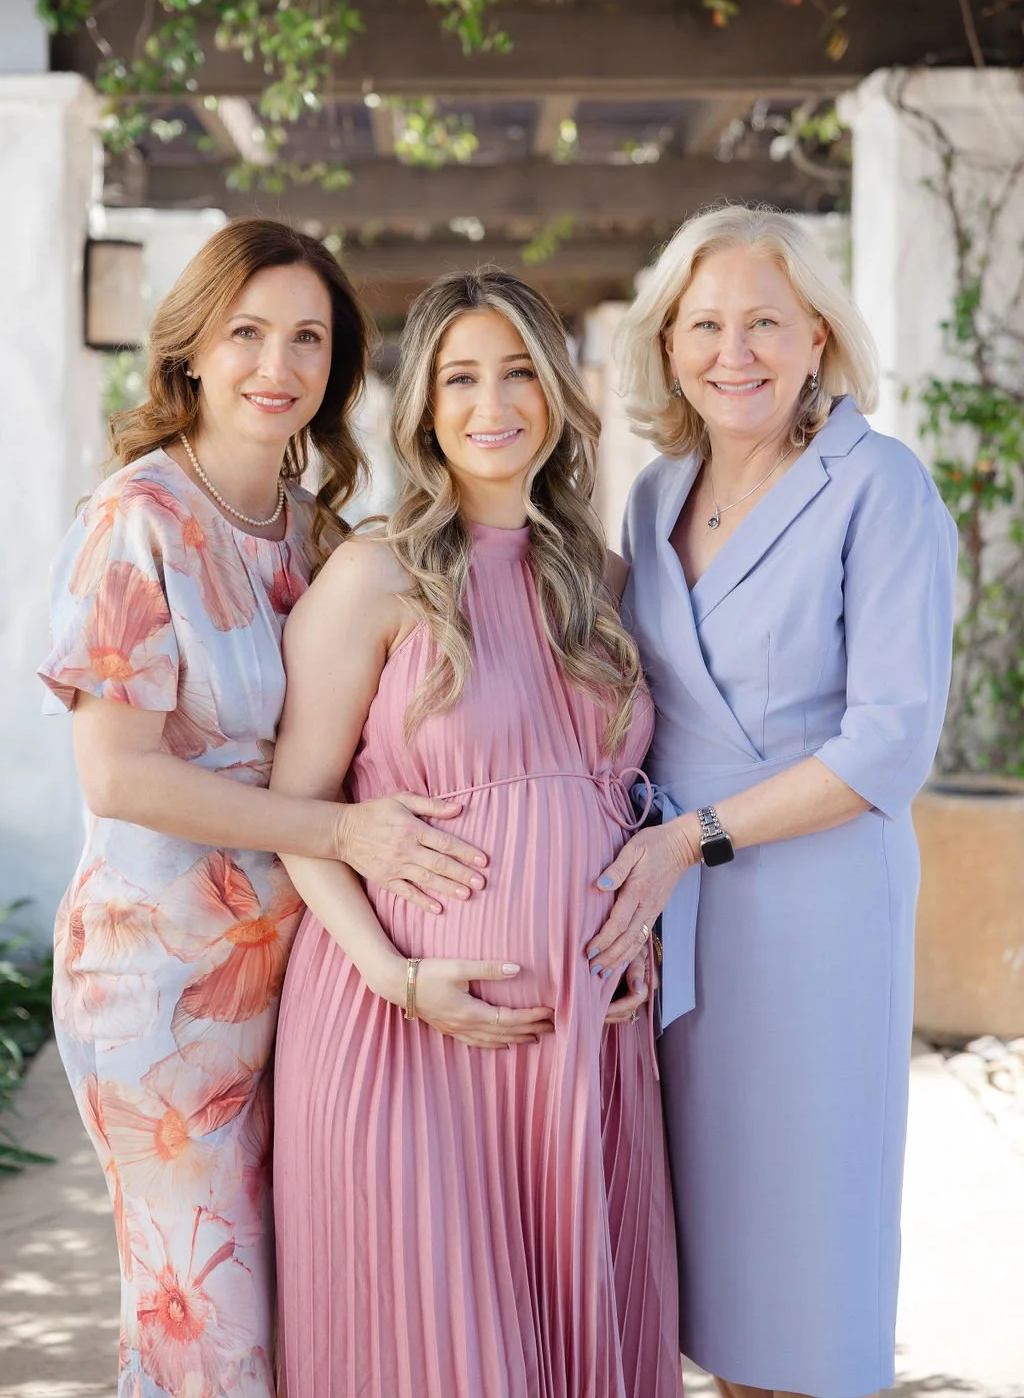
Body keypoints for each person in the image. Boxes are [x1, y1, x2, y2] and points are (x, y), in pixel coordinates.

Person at [38, 220, 491, 1398]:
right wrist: (341, 834)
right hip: (158, 987)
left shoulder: (316, 534)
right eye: (245, 332)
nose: (274, 365)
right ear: (191, 350)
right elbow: (119, 775)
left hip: (296, 975)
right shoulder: (135, 518)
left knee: (298, 1315)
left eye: (307, 338)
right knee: (206, 1327)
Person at [270, 269, 683, 1398]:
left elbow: (623, 798)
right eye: (460, 376)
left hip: (583, 1046)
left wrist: (637, 931)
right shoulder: (373, 575)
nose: (490, 402)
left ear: (556, 393)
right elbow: (302, 815)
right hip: (404, 1035)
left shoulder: (603, 586)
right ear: (424, 407)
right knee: (441, 1355)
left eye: (516, 372)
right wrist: (395, 976)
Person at [586, 205, 958, 1398]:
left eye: (763, 322)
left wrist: (693, 838)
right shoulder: (654, 495)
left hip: (810, 905)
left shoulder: (880, 486)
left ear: (816, 340)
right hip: (677, 913)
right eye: (705, 324)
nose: (730, 351)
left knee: (806, 1255)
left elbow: (887, 747)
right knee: (706, 1257)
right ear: (668, 342)